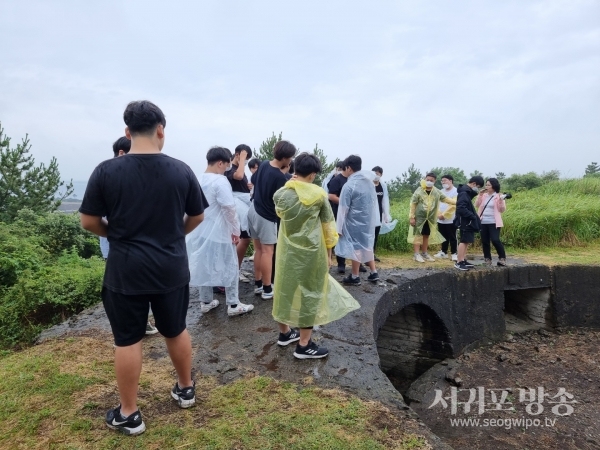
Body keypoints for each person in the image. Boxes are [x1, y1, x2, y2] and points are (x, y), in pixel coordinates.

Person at [79, 101, 208, 435]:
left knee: (127, 339)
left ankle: (129, 413)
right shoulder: (181, 170)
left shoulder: (107, 171)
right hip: (171, 267)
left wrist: (115, 234)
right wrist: (173, 234)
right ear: (161, 129)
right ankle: (185, 388)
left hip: (126, 269)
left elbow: (88, 221)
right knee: (176, 328)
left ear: (127, 132)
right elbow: (197, 216)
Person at [272, 153, 360, 359]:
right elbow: (328, 228)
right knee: (310, 294)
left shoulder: (281, 194)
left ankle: (284, 333)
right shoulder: (319, 195)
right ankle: (304, 344)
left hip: (286, 252)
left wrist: (290, 185)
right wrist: (329, 254)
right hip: (312, 252)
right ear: (312, 174)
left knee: (284, 290)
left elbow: (280, 212)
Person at [99, 136, 158, 336]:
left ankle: (136, 324)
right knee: (134, 286)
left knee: (127, 287)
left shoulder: (107, 173)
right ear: (122, 153)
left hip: (118, 245)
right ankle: (138, 324)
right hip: (124, 245)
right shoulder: (117, 175)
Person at [187, 146, 255, 317]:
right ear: (220, 163)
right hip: (220, 232)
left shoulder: (197, 179)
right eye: (226, 166)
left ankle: (206, 301)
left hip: (200, 231)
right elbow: (229, 209)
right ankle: (233, 303)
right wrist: (235, 231)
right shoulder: (220, 181)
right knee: (231, 266)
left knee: (204, 265)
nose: (226, 170)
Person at [247, 140, 296, 299]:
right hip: (266, 216)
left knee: (258, 250)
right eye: (290, 157)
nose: (290, 161)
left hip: (253, 210)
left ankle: (258, 284)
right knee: (268, 251)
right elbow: (281, 201)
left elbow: (262, 182)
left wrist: (286, 180)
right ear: (285, 157)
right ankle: (268, 290)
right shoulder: (279, 177)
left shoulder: (264, 165)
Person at [335, 155, 380, 285]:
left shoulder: (349, 186)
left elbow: (343, 209)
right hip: (368, 221)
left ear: (349, 168)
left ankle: (355, 276)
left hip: (353, 222)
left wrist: (339, 227)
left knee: (356, 248)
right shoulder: (369, 183)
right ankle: (373, 272)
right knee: (366, 246)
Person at [408, 172, 456, 263]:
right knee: (418, 235)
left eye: (431, 180)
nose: (429, 182)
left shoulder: (436, 191)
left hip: (430, 218)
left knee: (426, 235)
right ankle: (416, 254)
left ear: (435, 181)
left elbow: (446, 199)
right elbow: (413, 204)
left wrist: (458, 202)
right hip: (420, 217)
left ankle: (424, 253)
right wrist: (412, 217)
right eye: (428, 180)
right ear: (425, 179)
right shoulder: (419, 190)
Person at [226, 144, 253, 279]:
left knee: (243, 239)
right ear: (237, 155)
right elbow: (238, 176)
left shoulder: (238, 168)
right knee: (241, 239)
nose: (246, 160)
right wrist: (241, 158)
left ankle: (236, 269)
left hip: (242, 205)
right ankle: (233, 270)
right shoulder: (230, 168)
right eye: (245, 157)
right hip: (236, 208)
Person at [454, 175, 485, 271]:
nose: (477, 189)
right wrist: (472, 216)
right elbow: (461, 208)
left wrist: (476, 193)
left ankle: (463, 259)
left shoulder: (466, 192)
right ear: (474, 183)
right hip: (465, 221)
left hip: (467, 220)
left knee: (467, 240)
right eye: (478, 186)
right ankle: (459, 262)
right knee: (464, 240)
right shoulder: (464, 192)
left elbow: (467, 201)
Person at [476, 178, 507, 266]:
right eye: (486, 185)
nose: (487, 186)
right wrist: (480, 195)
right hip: (483, 221)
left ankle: (502, 258)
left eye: (489, 185)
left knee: (495, 240)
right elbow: (477, 205)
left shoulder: (498, 196)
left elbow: (502, 210)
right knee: (485, 241)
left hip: (494, 222)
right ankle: (487, 259)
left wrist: (501, 200)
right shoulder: (484, 195)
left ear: (494, 186)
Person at [434, 174, 459, 261]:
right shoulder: (441, 191)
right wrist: (439, 215)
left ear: (450, 181)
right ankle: (443, 252)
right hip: (440, 219)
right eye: (442, 181)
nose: (443, 182)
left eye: (445, 180)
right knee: (443, 236)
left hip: (451, 218)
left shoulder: (456, 191)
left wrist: (444, 215)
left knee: (452, 236)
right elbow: (436, 204)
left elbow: (454, 205)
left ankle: (454, 253)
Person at [372, 166, 393, 262]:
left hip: (379, 214)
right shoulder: (368, 184)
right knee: (368, 235)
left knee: (375, 235)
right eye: (374, 173)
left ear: (381, 175)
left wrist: (386, 214)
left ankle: (372, 254)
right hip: (369, 214)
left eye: (378, 173)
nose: (376, 175)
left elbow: (385, 200)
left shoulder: (382, 186)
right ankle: (365, 256)